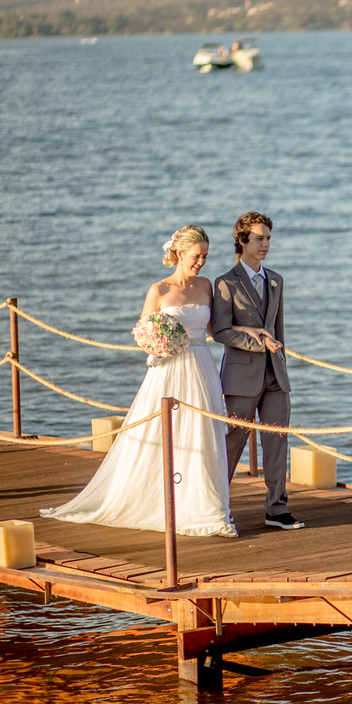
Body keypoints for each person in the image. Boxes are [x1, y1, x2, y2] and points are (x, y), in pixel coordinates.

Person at [41, 226, 239, 537]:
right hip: (170, 370)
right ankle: (162, 503)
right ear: (178, 254)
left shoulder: (206, 287)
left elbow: (215, 330)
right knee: (167, 434)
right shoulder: (158, 291)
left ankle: (206, 508)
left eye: (205, 256)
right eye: (195, 256)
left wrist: (250, 331)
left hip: (202, 368)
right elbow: (144, 337)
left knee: (203, 434)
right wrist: (162, 343)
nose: (201, 262)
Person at [212, 211, 302, 530]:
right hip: (241, 376)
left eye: (268, 239)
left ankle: (276, 508)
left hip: (276, 375)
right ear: (242, 241)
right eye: (259, 239)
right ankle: (216, 504)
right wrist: (258, 344)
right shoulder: (224, 283)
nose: (265, 244)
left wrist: (279, 358)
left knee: (277, 441)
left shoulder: (276, 279)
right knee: (235, 439)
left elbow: (278, 329)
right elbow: (220, 331)